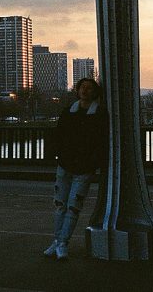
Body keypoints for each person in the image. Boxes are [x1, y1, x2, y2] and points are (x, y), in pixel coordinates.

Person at [43, 78, 108, 260]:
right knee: (60, 205)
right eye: (82, 88)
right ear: (78, 91)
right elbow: (59, 135)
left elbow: (101, 142)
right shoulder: (71, 112)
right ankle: (59, 242)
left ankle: (61, 242)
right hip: (67, 165)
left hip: (82, 167)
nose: (85, 91)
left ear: (95, 93)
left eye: (89, 88)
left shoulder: (98, 114)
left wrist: (92, 161)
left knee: (73, 207)